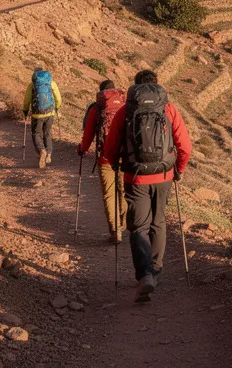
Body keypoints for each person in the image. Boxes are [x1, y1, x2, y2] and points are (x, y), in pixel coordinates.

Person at [104, 69, 191, 302]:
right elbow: (184, 146)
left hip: (136, 177)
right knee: (158, 221)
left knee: (138, 226)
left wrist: (114, 164)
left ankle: (144, 275)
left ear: (135, 88)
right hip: (163, 175)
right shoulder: (169, 109)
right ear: (157, 86)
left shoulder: (126, 110)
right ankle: (156, 268)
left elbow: (111, 145)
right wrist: (178, 170)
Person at [78, 80, 127, 242]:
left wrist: (83, 149)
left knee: (109, 194)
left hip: (105, 158)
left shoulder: (96, 108)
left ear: (101, 93)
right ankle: (124, 223)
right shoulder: (125, 106)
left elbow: (88, 134)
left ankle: (115, 231)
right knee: (124, 191)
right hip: (124, 157)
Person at [23, 67, 62, 168]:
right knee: (47, 133)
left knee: (36, 134)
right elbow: (58, 97)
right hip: (50, 113)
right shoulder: (51, 83)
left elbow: (27, 100)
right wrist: (57, 107)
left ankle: (41, 150)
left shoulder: (31, 85)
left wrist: (25, 110)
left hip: (37, 114)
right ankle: (48, 153)